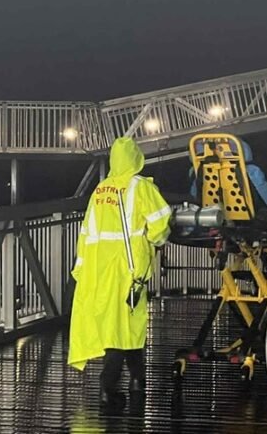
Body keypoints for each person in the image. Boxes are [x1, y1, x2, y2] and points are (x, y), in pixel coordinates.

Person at [68, 137, 172, 408]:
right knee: (127, 325)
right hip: (129, 268)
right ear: (136, 158)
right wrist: (156, 241)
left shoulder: (100, 190)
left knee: (115, 326)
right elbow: (161, 222)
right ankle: (113, 385)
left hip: (99, 270)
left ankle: (133, 381)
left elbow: (86, 232)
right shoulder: (140, 186)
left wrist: (81, 269)